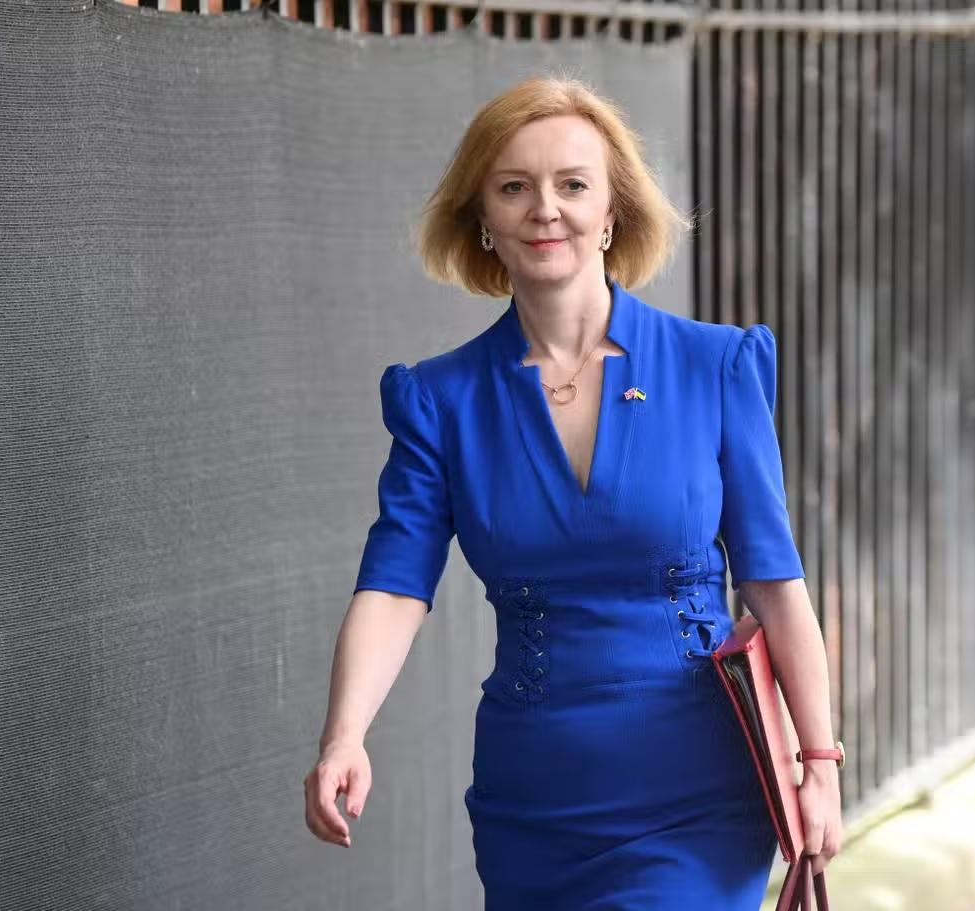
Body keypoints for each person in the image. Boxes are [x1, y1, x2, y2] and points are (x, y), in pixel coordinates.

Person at [303, 74, 843, 909]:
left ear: (612, 210)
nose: (545, 209)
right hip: (534, 802)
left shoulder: (715, 366)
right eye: (514, 187)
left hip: (697, 790)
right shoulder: (440, 400)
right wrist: (344, 733)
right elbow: (395, 584)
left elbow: (774, 581)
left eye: (573, 185)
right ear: (483, 219)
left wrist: (819, 762)